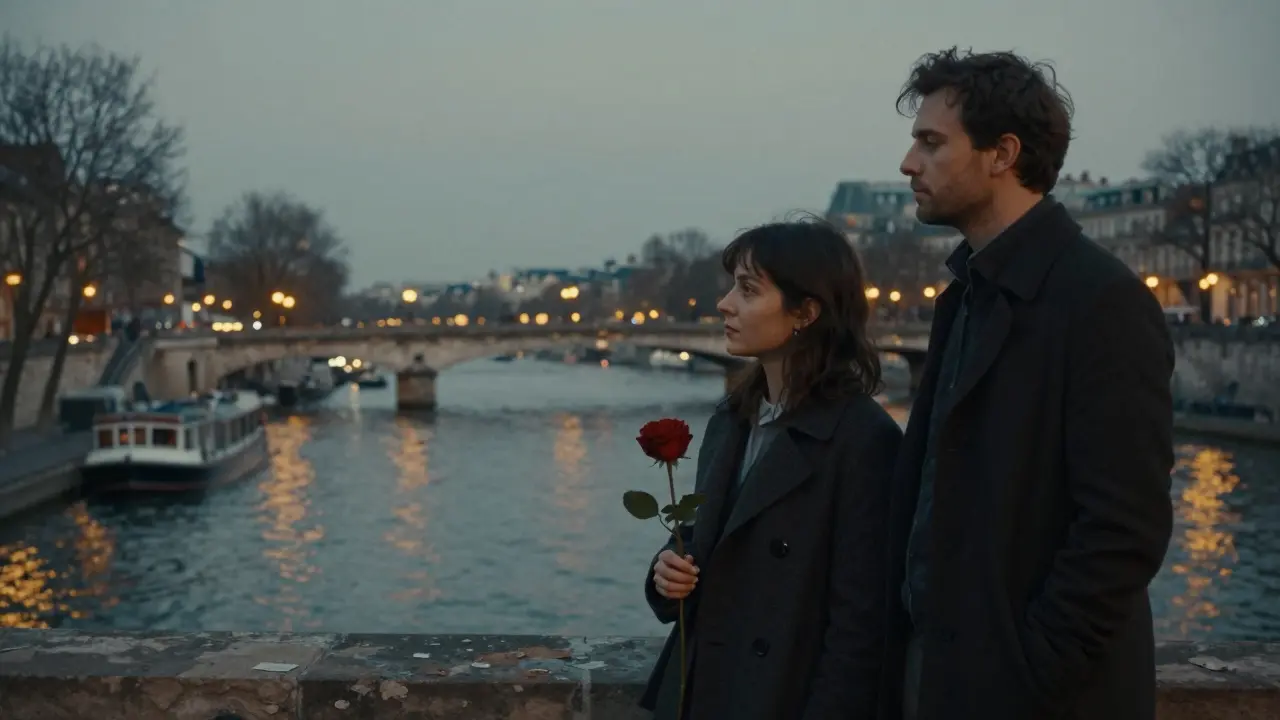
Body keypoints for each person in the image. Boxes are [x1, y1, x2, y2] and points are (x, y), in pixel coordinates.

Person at [884, 47, 1175, 720]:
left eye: (931, 142)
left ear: (1001, 153)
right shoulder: (967, 294)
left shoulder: (1102, 301)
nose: (907, 164)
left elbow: (1123, 530)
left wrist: (1029, 668)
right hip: (946, 677)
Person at [637, 218, 902, 720]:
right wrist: (667, 573)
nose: (724, 304)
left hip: (782, 699)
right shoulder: (731, 420)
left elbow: (861, 627)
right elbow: (716, 546)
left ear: (805, 311)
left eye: (748, 289)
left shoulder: (864, 440)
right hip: (706, 691)